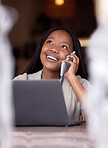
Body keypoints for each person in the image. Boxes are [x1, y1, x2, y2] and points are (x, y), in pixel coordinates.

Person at [14, 27, 91, 123]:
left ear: (72, 56)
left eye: (64, 46)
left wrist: (71, 77)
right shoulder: (22, 81)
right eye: (50, 42)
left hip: (66, 138)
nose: (54, 49)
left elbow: (98, 115)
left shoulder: (80, 84)